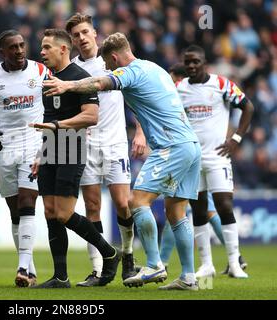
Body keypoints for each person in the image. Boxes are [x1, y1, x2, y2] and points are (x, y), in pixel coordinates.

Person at [43, 32, 201, 290]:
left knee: (135, 201)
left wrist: (69, 85)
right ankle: (189, 277)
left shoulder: (129, 72)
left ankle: (153, 264)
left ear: (115, 57)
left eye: (109, 64)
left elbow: (100, 83)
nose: (108, 68)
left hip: (171, 146)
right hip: (190, 145)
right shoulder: (154, 67)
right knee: (176, 212)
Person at [29, 28, 121, 289]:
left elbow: (91, 116)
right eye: (42, 47)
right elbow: (47, 121)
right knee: (49, 212)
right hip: (49, 149)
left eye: (47, 47)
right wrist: (41, 152)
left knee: (64, 213)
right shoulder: (48, 78)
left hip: (71, 147)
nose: (42, 52)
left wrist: (58, 126)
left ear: (63, 49)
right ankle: (60, 277)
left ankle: (109, 253)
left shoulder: (81, 78)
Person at [64, 13, 146, 287]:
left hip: (114, 143)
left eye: (85, 32)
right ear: (72, 41)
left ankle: (129, 257)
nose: (82, 38)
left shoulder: (111, 62)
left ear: (95, 33)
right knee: (92, 207)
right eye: (76, 35)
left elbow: (135, 95)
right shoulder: (71, 69)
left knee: (123, 203)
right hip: (85, 145)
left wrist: (141, 131)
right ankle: (99, 268)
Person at [176, 45, 253, 278]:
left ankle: (234, 264)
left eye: (195, 61)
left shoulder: (221, 84)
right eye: (187, 62)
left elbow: (247, 106)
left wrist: (236, 138)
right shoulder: (179, 88)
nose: (191, 66)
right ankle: (206, 265)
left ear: (204, 62)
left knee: (224, 205)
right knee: (198, 211)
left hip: (218, 156)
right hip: (192, 159)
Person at [0, 30, 45, 287]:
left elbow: (53, 105)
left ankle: (21, 267)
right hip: (6, 146)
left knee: (28, 199)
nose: (19, 51)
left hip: (33, 141)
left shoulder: (40, 72)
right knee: (14, 210)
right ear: (3, 52)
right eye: (13, 47)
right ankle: (29, 270)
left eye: (22, 45)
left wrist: (49, 142)